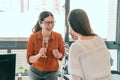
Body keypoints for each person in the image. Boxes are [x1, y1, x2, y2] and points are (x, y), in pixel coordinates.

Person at [67, 9, 112, 80]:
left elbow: (76, 77)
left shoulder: (76, 47)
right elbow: (110, 62)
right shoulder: (99, 39)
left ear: (72, 25)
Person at [26, 11, 65, 80]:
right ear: (40, 23)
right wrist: (39, 54)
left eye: (52, 22)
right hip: (35, 72)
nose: (50, 25)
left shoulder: (58, 37)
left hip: (52, 73)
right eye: (47, 22)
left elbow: (62, 55)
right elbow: (29, 59)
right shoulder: (33, 37)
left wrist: (58, 55)